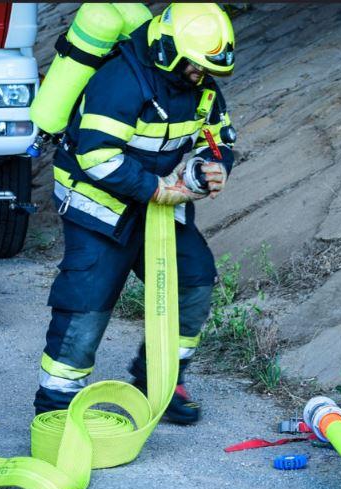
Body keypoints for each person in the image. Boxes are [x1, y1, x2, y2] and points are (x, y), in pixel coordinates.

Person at [34, 3, 236, 424]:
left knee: (195, 280)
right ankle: (55, 407)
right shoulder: (120, 81)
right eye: (196, 67)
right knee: (87, 302)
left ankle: (160, 380)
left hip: (157, 204)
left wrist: (207, 170)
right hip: (98, 207)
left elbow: (216, 139)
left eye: (207, 69)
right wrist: (156, 189)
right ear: (168, 51)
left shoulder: (200, 84)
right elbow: (96, 157)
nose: (202, 76)